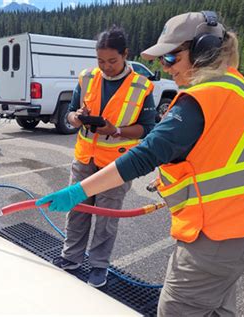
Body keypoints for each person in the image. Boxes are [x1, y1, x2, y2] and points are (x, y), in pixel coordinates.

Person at [36, 11, 244, 316]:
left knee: (177, 309)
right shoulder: (238, 88)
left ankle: (98, 267)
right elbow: (218, 152)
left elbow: (146, 152)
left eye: (171, 59)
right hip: (237, 228)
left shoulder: (203, 98)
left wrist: (77, 192)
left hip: (214, 232)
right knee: (218, 309)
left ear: (204, 51)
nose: (165, 68)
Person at [51, 26, 156, 288]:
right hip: (84, 159)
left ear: (125, 55)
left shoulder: (142, 86)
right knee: (77, 209)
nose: (106, 67)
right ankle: (71, 257)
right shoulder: (87, 78)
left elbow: (148, 128)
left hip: (117, 165)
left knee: (106, 218)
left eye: (112, 61)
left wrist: (116, 130)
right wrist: (75, 117)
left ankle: (99, 267)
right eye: (100, 61)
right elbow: (71, 113)